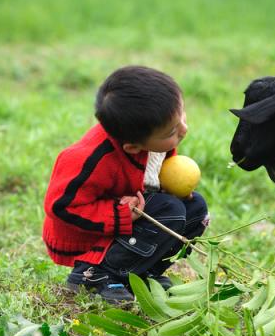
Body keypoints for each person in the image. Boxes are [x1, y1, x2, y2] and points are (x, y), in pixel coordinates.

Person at [42, 66, 209, 304]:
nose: (184, 129)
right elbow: (61, 206)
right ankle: (93, 275)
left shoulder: (149, 137)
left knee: (195, 210)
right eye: (172, 131)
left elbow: (147, 177)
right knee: (169, 211)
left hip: (127, 215)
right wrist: (117, 214)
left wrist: (169, 187)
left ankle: (141, 273)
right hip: (89, 233)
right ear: (133, 146)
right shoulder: (90, 159)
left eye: (182, 115)